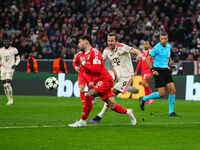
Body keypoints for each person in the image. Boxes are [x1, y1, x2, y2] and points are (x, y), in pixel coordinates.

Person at [68, 35, 137, 127]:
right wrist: (84, 72)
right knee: (111, 104)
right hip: (98, 82)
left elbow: (96, 69)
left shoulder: (95, 52)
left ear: (86, 42)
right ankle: (128, 112)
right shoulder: (83, 55)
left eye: (80, 42)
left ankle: (82, 121)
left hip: (105, 80)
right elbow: (87, 72)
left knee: (89, 95)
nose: (78, 44)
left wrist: (84, 64)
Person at [90, 32, 142, 123]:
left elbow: (136, 51)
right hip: (116, 73)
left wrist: (139, 55)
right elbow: (100, 61)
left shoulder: (122, 47)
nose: (110, 43)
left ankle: (100, 115)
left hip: (126, 75)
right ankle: (97, 97)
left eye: (112, 41)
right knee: (105, 81)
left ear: (116, 41)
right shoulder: (106, 50)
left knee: (111, 96)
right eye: (108, 41)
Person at [139, 32, 178, 116]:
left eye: (165, 39)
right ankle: (144, 98)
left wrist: (171, 65)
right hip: (158, 71)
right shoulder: (156, 48)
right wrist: (153, 70)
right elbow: (147, 59)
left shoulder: (168, 46)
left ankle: (171, 112)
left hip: (166, 70)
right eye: (162, 39)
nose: (163, 40)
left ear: (167, 39)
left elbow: (168, 58)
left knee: (172, 89)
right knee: (162, 93)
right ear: (160, 39)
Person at [0, 37, 20, 105]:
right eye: (5, 42)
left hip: (10, 68)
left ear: (10, 42)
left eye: (7, 42)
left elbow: (18, 58)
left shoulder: (14, 49)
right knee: (4, 85)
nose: (6, 43)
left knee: (8, 84)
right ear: (3, 43)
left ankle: (11, 100)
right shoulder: (0, 50)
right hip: (3, 68)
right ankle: (8, 99)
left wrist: (15, 64)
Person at [134, 38, 154, 104]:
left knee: (144, 83)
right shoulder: (142, 52)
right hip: (143, 71)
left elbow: (152, 61)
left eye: (146, 44)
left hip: (148, 71)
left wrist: (151, 70)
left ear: (149, 45)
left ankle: (151, 97)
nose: (145, 45)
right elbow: (140, 62)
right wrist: (136, 71)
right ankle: (147, 99)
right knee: (145, 85)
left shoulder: (151, 52)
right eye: (144, 44)